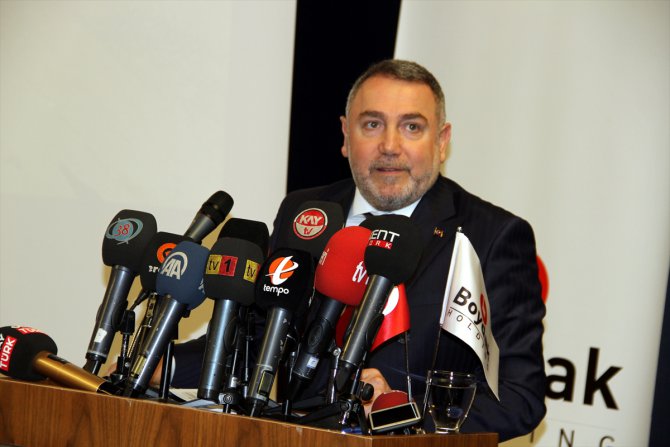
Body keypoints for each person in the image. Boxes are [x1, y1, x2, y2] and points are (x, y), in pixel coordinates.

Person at [173, 59, 546, 441]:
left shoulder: (492, 237)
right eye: (372, 125)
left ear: (441, 141)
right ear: (345, 135)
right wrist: (162, 366)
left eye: (411, 127)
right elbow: (251, 341)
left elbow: (519, 398)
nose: (390, 146)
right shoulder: (305, 212)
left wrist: (399, 414)